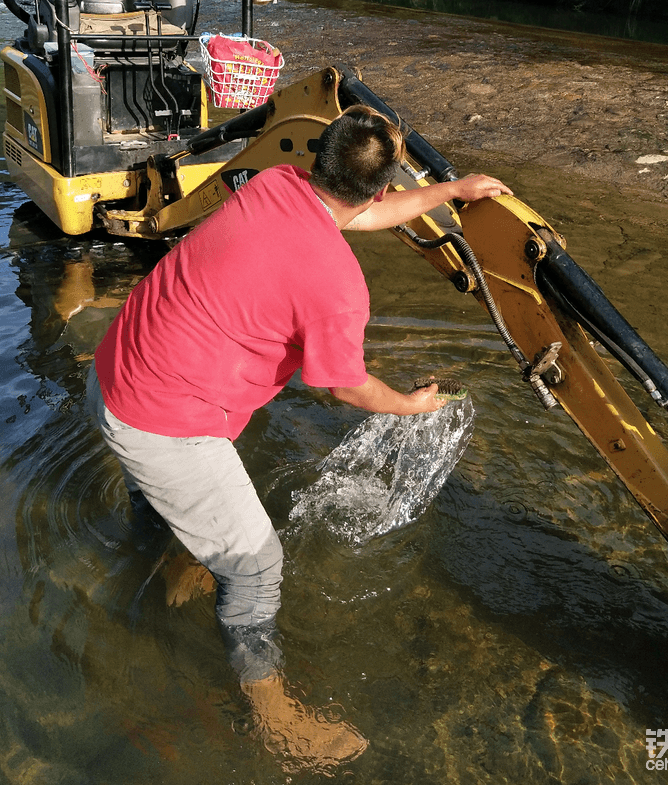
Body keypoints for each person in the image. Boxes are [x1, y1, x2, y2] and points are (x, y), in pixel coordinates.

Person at [86, 104, 512, 768]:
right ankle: (276, 721)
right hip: (161, 422)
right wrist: (407, 403)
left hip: (116, 370)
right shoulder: (339, 288)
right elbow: (342, 385)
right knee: (257, 567)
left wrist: (453, 193)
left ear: (321, 158)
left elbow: (360, 213)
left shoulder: (276, 183)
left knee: (167, 503)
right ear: (378, 182)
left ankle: (172, 559)